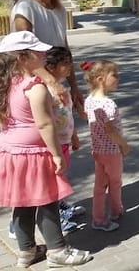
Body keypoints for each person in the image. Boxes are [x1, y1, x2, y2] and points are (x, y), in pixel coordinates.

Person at [0, 31, 93, 268]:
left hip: (11, 153)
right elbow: (44, 124)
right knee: (49, 201)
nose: (43, 54)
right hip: (35, 154)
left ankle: (27, 251)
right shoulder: (35, 87)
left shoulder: (6, 83)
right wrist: (56, 154)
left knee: (22, 204)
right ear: (23, 56)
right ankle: (58, 251)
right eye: (38, 51)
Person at [11, 0, 84, 116]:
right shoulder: (25, 7)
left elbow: (65, 50)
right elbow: (24, 51)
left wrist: (74, 86)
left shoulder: (59, 10)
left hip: (55, 88)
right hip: (33, 88)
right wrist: (50, 82)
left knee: (64, 137)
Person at [44, 47, 85, 233]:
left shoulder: (63, 89)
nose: (70, 68)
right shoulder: (46, 92)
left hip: (65, 142)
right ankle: (56, 220)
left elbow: (68, 115)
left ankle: (60, 207)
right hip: (53, 146)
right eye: (65, 64)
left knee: (61, 177)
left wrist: (74, 135)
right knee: (53, 182)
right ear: (51, 67)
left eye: (71, 63)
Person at [83, 60, 128, 232]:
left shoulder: (90, 100)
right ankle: (116, 210)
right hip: (111, 150)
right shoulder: (108, 104)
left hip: (98, 150)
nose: (118, 78)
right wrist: (124, 145)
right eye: (114, 75)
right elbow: (111, 130)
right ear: (101, 79)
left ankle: (98, 217)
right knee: (115, 182)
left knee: (100, 185)